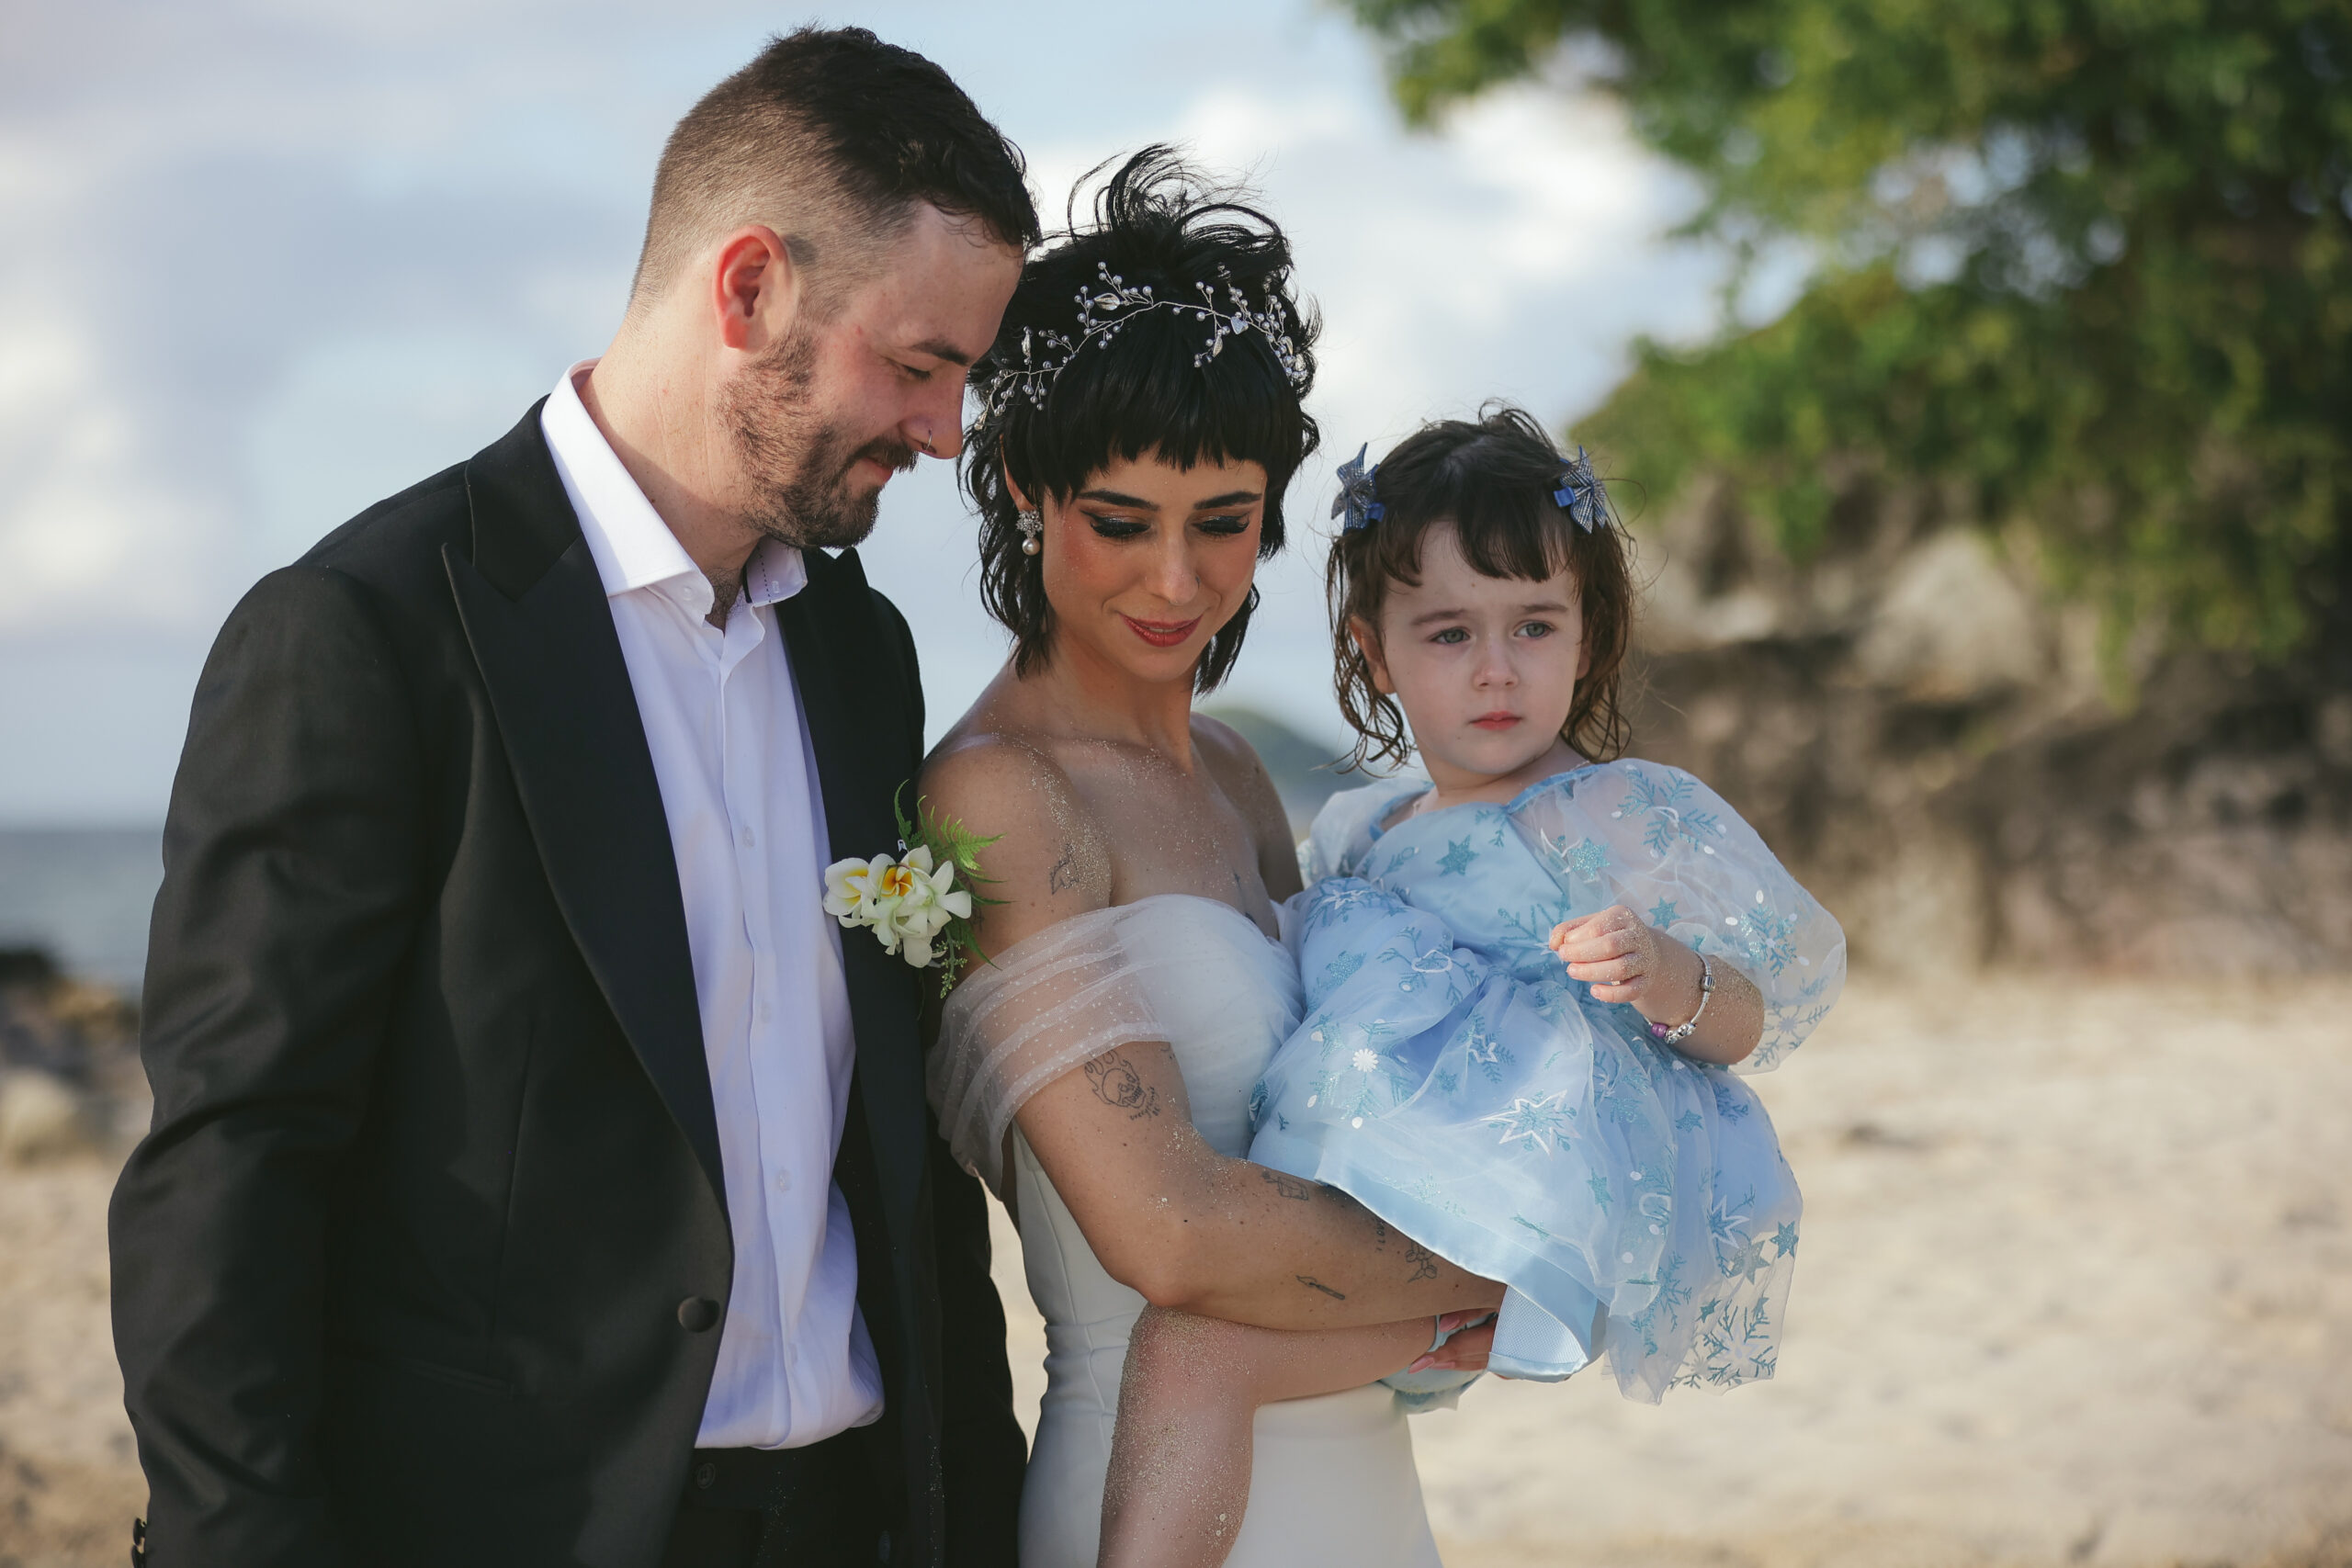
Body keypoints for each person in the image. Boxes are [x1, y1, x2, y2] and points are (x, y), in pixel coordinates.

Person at [107, 28, 1035, 1568]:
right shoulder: (369, 629)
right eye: (919, 363)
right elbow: (233, 1167)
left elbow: (900, 1157)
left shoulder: (859, 649)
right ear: (747, 290)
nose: (943, 429)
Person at [1091, 407, 1850, 1567]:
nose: (1496, 670)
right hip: (1381, 1213)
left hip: (1512, 1219)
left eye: (1534, 626)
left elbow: (1761, 1011)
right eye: (1447, 634)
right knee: (1206, 1357)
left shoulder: (1615, 808)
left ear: (1588, 639)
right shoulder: (1358, 828)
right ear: (1372, 651)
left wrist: (1669, 974)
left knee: (1194, 1356)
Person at [918, 151, 1503, 1568]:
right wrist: (1492, 1272)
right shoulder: (1005, 795)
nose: (1176, 580)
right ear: (1021, 485)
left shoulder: (1236, 772)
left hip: (1359, 1465)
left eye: (1223, 522)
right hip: (1163, 1482)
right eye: (1120, 521)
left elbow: (1351, 1105)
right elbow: (1169, 1231)